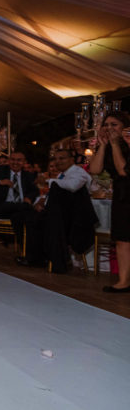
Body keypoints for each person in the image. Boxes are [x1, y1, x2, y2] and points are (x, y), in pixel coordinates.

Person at [90, 112, 130, 292]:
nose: (109, 128)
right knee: (122, 239)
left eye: (114, 125)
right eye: (106, 125)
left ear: (124, 127)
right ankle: (124, 281)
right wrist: (103, 145)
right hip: (121, 196)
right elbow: (95, 169)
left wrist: (114, 144)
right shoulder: (109, 146)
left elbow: (123, 170)